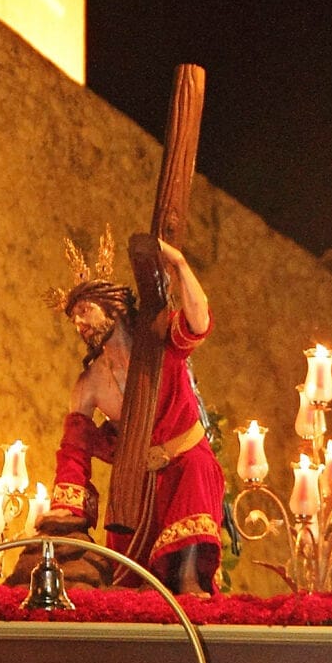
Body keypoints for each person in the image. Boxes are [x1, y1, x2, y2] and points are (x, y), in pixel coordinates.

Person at [43, 228, 225, 595]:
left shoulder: (160, 343)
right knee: (128, 574)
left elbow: (198, 321)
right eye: (74, 317)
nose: (80, 323)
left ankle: (189, 580)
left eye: (85, 311)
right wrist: (66, 507)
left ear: (115, 308)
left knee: (194, 470)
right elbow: (74, 448)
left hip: (185, 458)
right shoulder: (89, 384)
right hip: (137, 479)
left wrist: (179, 262)